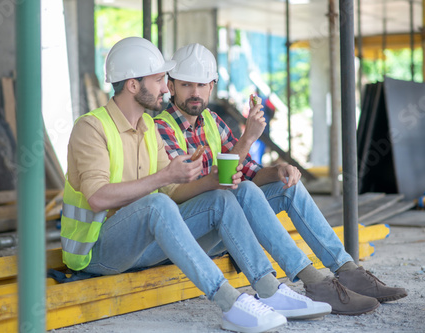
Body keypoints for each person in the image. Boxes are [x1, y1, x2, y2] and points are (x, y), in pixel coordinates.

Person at [61, 37, 334, 333]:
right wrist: (164, 178)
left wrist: (207, 181)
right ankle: (231, 303)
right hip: (98, 252)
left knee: (221, 198)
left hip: (144, 248)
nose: (165, 88)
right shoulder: (91, 128)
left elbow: (173, 191)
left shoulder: (149, 129)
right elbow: (98, 198)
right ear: (132, 85)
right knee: (157, 204)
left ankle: (269, 289)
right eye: (158, 80)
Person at [154, 43, 408, 316]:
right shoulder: (161, 128)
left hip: (229, 225)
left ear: (212, 86)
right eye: (186, 85)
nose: (195, 93)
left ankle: (348, 271)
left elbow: (249, 171)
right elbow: (211, 185)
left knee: (288, 187)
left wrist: (278, 171)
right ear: (170, 86)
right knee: (243, 191)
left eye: (202, 85)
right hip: (192, 235)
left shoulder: (213, 122)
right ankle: (314, 282)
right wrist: (248, 138)